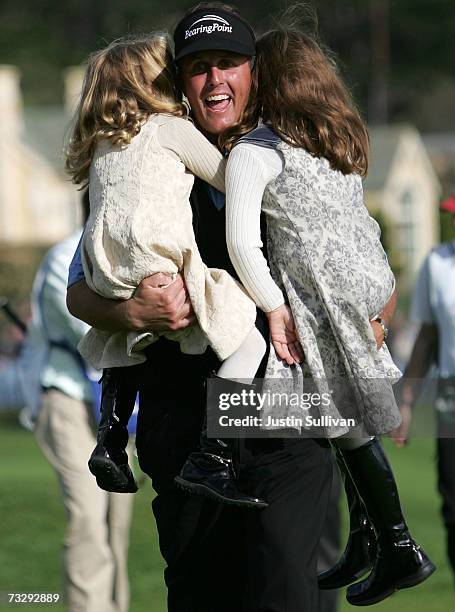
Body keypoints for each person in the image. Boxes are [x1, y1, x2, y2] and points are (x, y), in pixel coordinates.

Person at [66, 4, 332, 611]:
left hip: (283, 413)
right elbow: (78, 291)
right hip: (182, 416)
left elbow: (363, 268)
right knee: (200, 595)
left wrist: (368, 313)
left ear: (254, 73)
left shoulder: (295, 154)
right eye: (198, 68)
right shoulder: (137, 165)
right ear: (178, 85)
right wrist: (135, 313)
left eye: (229, 64)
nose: (215, 81)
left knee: (285, 593)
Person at [218, 27, 435, 606]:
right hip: (363, 292)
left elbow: (242, 244)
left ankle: (398, 545)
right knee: (342, 422)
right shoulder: (334, 145)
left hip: (317, 305)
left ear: (263, 79)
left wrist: (273, 306)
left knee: (343, 424)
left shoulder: (256, 152)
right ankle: (372, 539)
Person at [65, 32, 304, 507]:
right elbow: (226, 175)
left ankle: (111, 437)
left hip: (110, 270)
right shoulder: (171, 130)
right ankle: (211, 453)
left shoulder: (103, 148)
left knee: (123, 348)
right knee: (249, 339)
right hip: (166, 276)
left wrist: (128, 312)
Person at [20, 191, 133, 612]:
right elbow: (94, 341)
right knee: (88, 519)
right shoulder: (62, 260)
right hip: (66, 402)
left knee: (115, 526)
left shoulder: (122, 257)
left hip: (114, 410)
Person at [393, 186, 455, 590]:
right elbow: (427, 337)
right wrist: (407, 400)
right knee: (454, 510)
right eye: (453, 214)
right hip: (451, 396)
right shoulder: (438, 262)